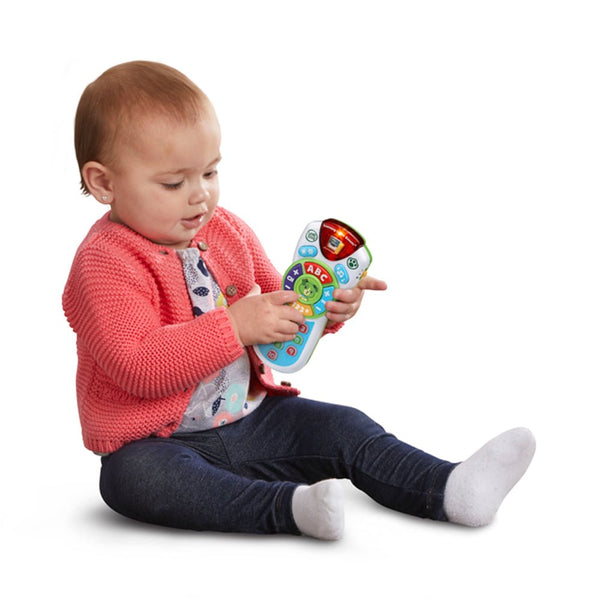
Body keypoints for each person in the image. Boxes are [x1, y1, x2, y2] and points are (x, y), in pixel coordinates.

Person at [63, 61, 535, 540]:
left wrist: (326, 310)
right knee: (137, 481)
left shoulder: (227, 231)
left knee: (344, 426)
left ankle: (449, 488)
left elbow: (281, 312)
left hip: (253, 421)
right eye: (173, 183)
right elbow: (136, 366)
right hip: (156, 443)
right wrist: (235, 327)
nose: (200, 195)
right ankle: (291, 509)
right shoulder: (104, 262)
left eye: (210, 171)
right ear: (104, 183)